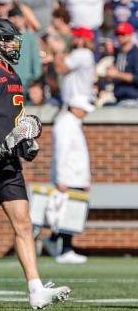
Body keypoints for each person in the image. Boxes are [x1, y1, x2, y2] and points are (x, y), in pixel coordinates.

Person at [0, 18, 70, 309]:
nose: (12, 44)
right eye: (7, 39)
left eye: (12, 39)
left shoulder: (14, 76)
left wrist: (25, 144)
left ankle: (35, 289)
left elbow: (15, 123)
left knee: (23, 222)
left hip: (8, 163)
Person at [49, 95, 92, 264]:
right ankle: (65, 249)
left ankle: (54, 240)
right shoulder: (65, 124)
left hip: (77, 178)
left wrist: (86, 179)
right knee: (69, 215)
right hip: (70, 178)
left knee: (73, 214)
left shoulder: (73, 124)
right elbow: (62, 152)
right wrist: (62, 178)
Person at [48, 27, 95, 105]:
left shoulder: (83, 53)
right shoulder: (82, 53)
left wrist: (57, 52)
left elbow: (61, 69)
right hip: (75, 100)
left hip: (78, 101)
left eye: (78, 37)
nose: (74, 39)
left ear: (84, 39)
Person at [105, 22, 138, 105]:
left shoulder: (135, 54)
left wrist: (117, 74)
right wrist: (110, 76)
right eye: (117, 34)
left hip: (132, 98)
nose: (119, 37)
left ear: (130, 35)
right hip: (119, 97)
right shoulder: (119, 53)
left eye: (122, 34)